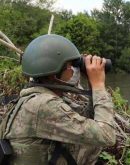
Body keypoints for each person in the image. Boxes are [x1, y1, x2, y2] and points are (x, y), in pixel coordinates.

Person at [0, 34, 116, 165]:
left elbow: (87, 123)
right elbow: (106, 135)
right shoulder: (43, 105)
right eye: (70, 66)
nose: (74, 70)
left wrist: (91, 85)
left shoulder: (34, 99)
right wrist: (99, 86)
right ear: (54, 74)